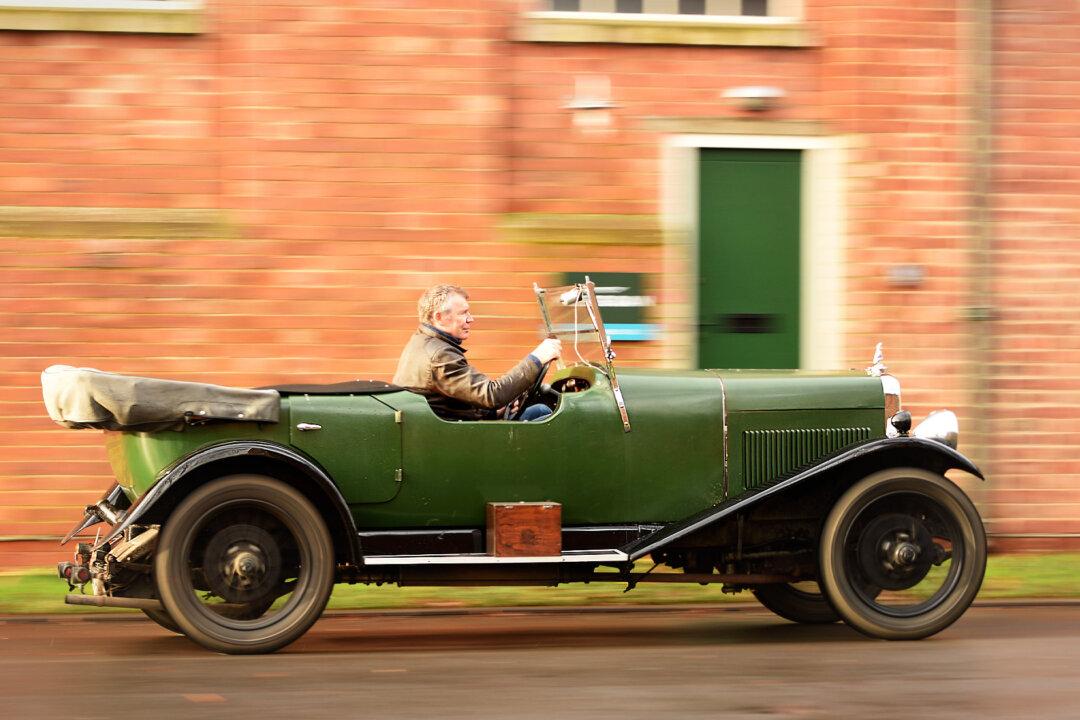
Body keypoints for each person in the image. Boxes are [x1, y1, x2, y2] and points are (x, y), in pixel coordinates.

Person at [393, 284, 562, 421]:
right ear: (439, 317)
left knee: (540, 410)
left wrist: (492, 413)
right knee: (546, 417)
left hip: (449, 430)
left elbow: (448, 405)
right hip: (452, 440)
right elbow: (491, 394)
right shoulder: (438, 355)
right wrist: (538, 358)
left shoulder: (423, 342)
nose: (470, 319)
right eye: (463, 313)